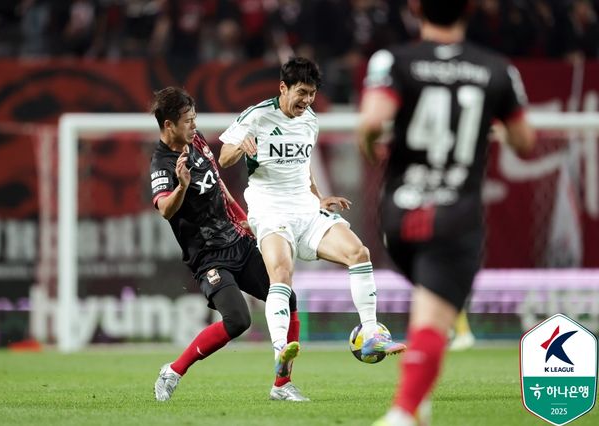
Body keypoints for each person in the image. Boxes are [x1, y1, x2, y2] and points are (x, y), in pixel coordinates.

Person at [357, 1, 535, 424]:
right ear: (469, 9)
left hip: (398, 214)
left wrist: (370, 148)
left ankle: (418, 406)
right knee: (434, 319)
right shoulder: (496, 69)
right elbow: (525, 141)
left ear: (416, 8)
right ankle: (403, 412)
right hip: (454, 212)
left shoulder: (392, 60)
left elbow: (372, 123)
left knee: (427, 298)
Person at [218, 57, 406, 382]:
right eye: (302, 92)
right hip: (270, 208)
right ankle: (281, 351)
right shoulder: (257, 116)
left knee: (358, 253)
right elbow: (224, 157)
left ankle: (371, 333)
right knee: (281, 273)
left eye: (312, 93)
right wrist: (241, 148)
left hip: (305, 209)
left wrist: (319, 198)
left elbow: (303, 167)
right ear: (283, 88)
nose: (307, 100)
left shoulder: (310, 120)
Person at [149, 87, 309, 403]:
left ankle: (282, 384)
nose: (194, 125)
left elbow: (219, 186)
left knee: (287, 298)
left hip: (238, 241)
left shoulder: (196, 141)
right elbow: (165, 209)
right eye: (188, 121)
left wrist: (246, 219)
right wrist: (181, 187)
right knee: (238, 320)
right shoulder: (161, 163)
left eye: (194, 118)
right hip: (209, 257)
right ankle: (173, 372)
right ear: (169, 125)